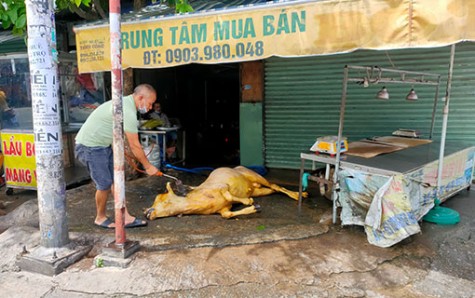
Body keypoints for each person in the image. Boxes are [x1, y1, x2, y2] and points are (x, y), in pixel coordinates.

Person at [75, 84, 159, 229]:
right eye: (150, 103)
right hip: (90, 147)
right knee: (104, 184)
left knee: (116, 182)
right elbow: (134, 145)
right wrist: (148, 166)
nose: (150, 108)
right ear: (140, 98)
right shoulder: (127, 110)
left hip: (102, 145)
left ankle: (125, 216)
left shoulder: (125, 103)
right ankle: (100, 218)